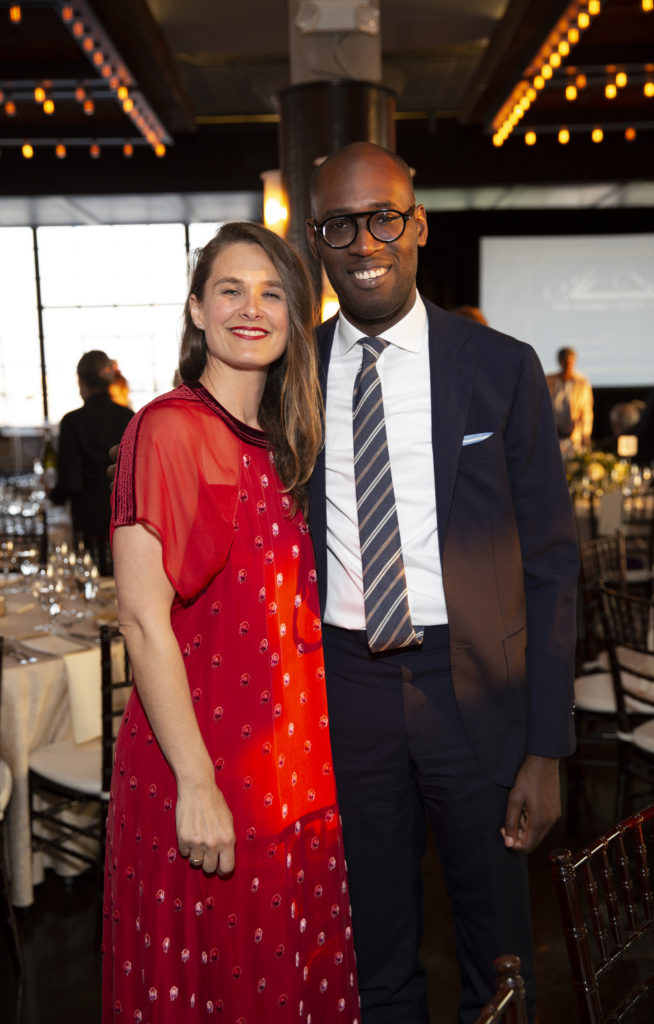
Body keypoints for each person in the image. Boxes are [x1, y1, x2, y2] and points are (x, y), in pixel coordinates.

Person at [304, 142, 579, 1024]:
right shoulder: (289, 379)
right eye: (338, 224)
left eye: (382, 216)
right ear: (317, 240)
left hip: (476, 692)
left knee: (499, 950)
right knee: (371, 948)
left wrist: (547, 745)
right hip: (345, 688)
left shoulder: (500, 367)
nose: (364, 240)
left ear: (416, 224)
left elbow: (549, 564)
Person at [103, 223, 360, 1023]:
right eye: (230, 290)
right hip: (203, 769)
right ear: (196, 310)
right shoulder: (169, 428)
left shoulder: (283, 446)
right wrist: (198, 785)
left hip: (287, 774)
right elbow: (143, 622)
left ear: (294, 316)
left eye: (272, 293)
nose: (252, 308)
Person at [49, 350, 134, 572]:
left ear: (81, 381)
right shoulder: (128, 416)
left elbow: (71, 481)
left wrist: (51, 495)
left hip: (88, 521)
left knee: (93, 583)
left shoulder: (73, 422)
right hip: (125, 518)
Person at [545, 346, 593, 449]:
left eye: (571, 362)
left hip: (573, 434)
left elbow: (586, 409)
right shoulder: (549, 380)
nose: (568, 365)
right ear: (559, 361)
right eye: (565, 362)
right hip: (552, 433)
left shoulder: (581, 382)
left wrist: (586, 433)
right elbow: (541, 406)